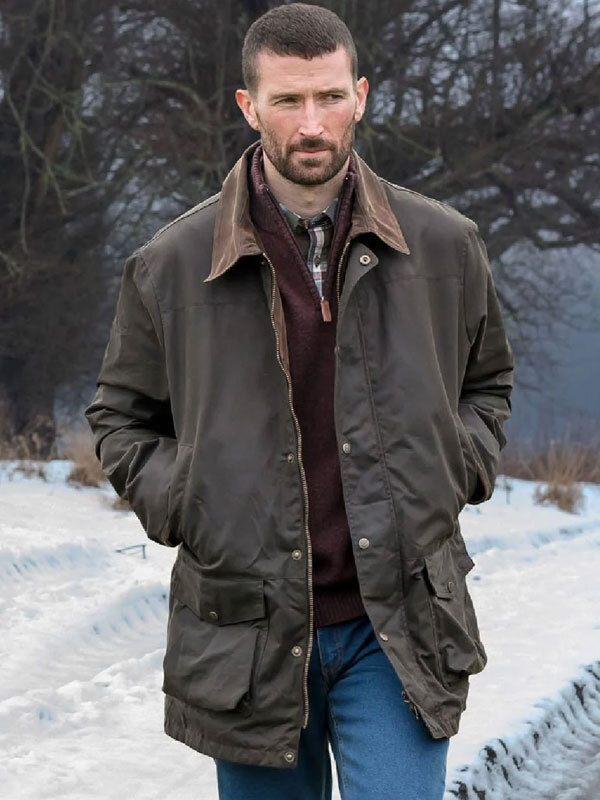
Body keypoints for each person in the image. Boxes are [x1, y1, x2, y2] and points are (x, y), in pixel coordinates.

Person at [85, 3, 514, 799]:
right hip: (247, 629)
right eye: (287, 101)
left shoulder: (446, 245)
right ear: (249, 107)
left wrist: (458, 466)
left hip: (400, 625)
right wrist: (187, 499)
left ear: (361, 95)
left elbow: (486, 383)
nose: (310, 124)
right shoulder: (171, 264)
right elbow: (119, 415)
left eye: (327, 97)